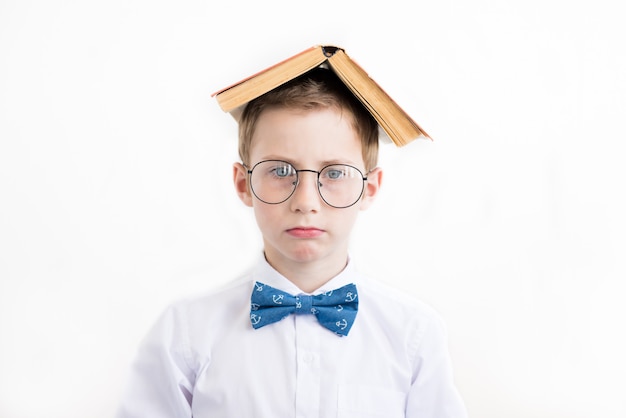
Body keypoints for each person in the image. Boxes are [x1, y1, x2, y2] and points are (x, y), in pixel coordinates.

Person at [116, 65, 468, 417]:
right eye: (280, 170)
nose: (306, 202)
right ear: (243, 184)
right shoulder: (185, 332)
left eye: (334, 173)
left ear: (368, 188)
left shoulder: (414, 334)